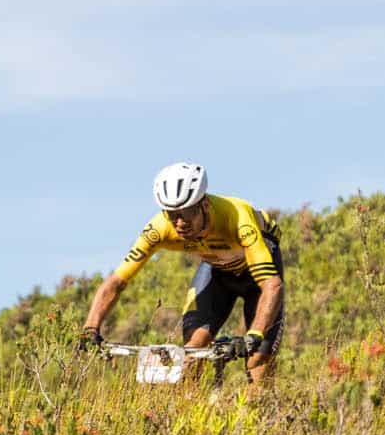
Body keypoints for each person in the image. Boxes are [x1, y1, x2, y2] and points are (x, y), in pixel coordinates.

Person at [81, 162, 285, 383]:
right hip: (216, 272)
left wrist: (254, 336)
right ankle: (190, 412)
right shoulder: (159, 228)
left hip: (257, 280)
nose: (179, 223)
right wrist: (90, 328)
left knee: (258, 362)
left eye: (186, 213)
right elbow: (117, 282)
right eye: (171, 214)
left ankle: (255, 412)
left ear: (204, 205)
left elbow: (272, 286)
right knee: (191, 353)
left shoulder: (237, 217)